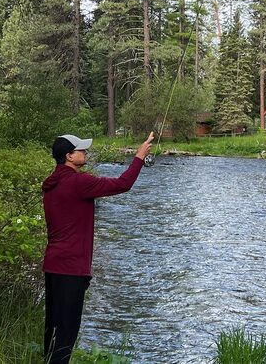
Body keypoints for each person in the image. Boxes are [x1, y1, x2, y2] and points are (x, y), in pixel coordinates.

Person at [42, 131, 154, 364]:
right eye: (81, 150)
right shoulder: (78, 182)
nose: (85, 152)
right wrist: (139, 157)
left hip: (53, 265)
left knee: (53, 331)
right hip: (71, 268)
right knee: (66, 336)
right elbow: (123, 184)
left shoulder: (52, 183)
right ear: (69, 156)